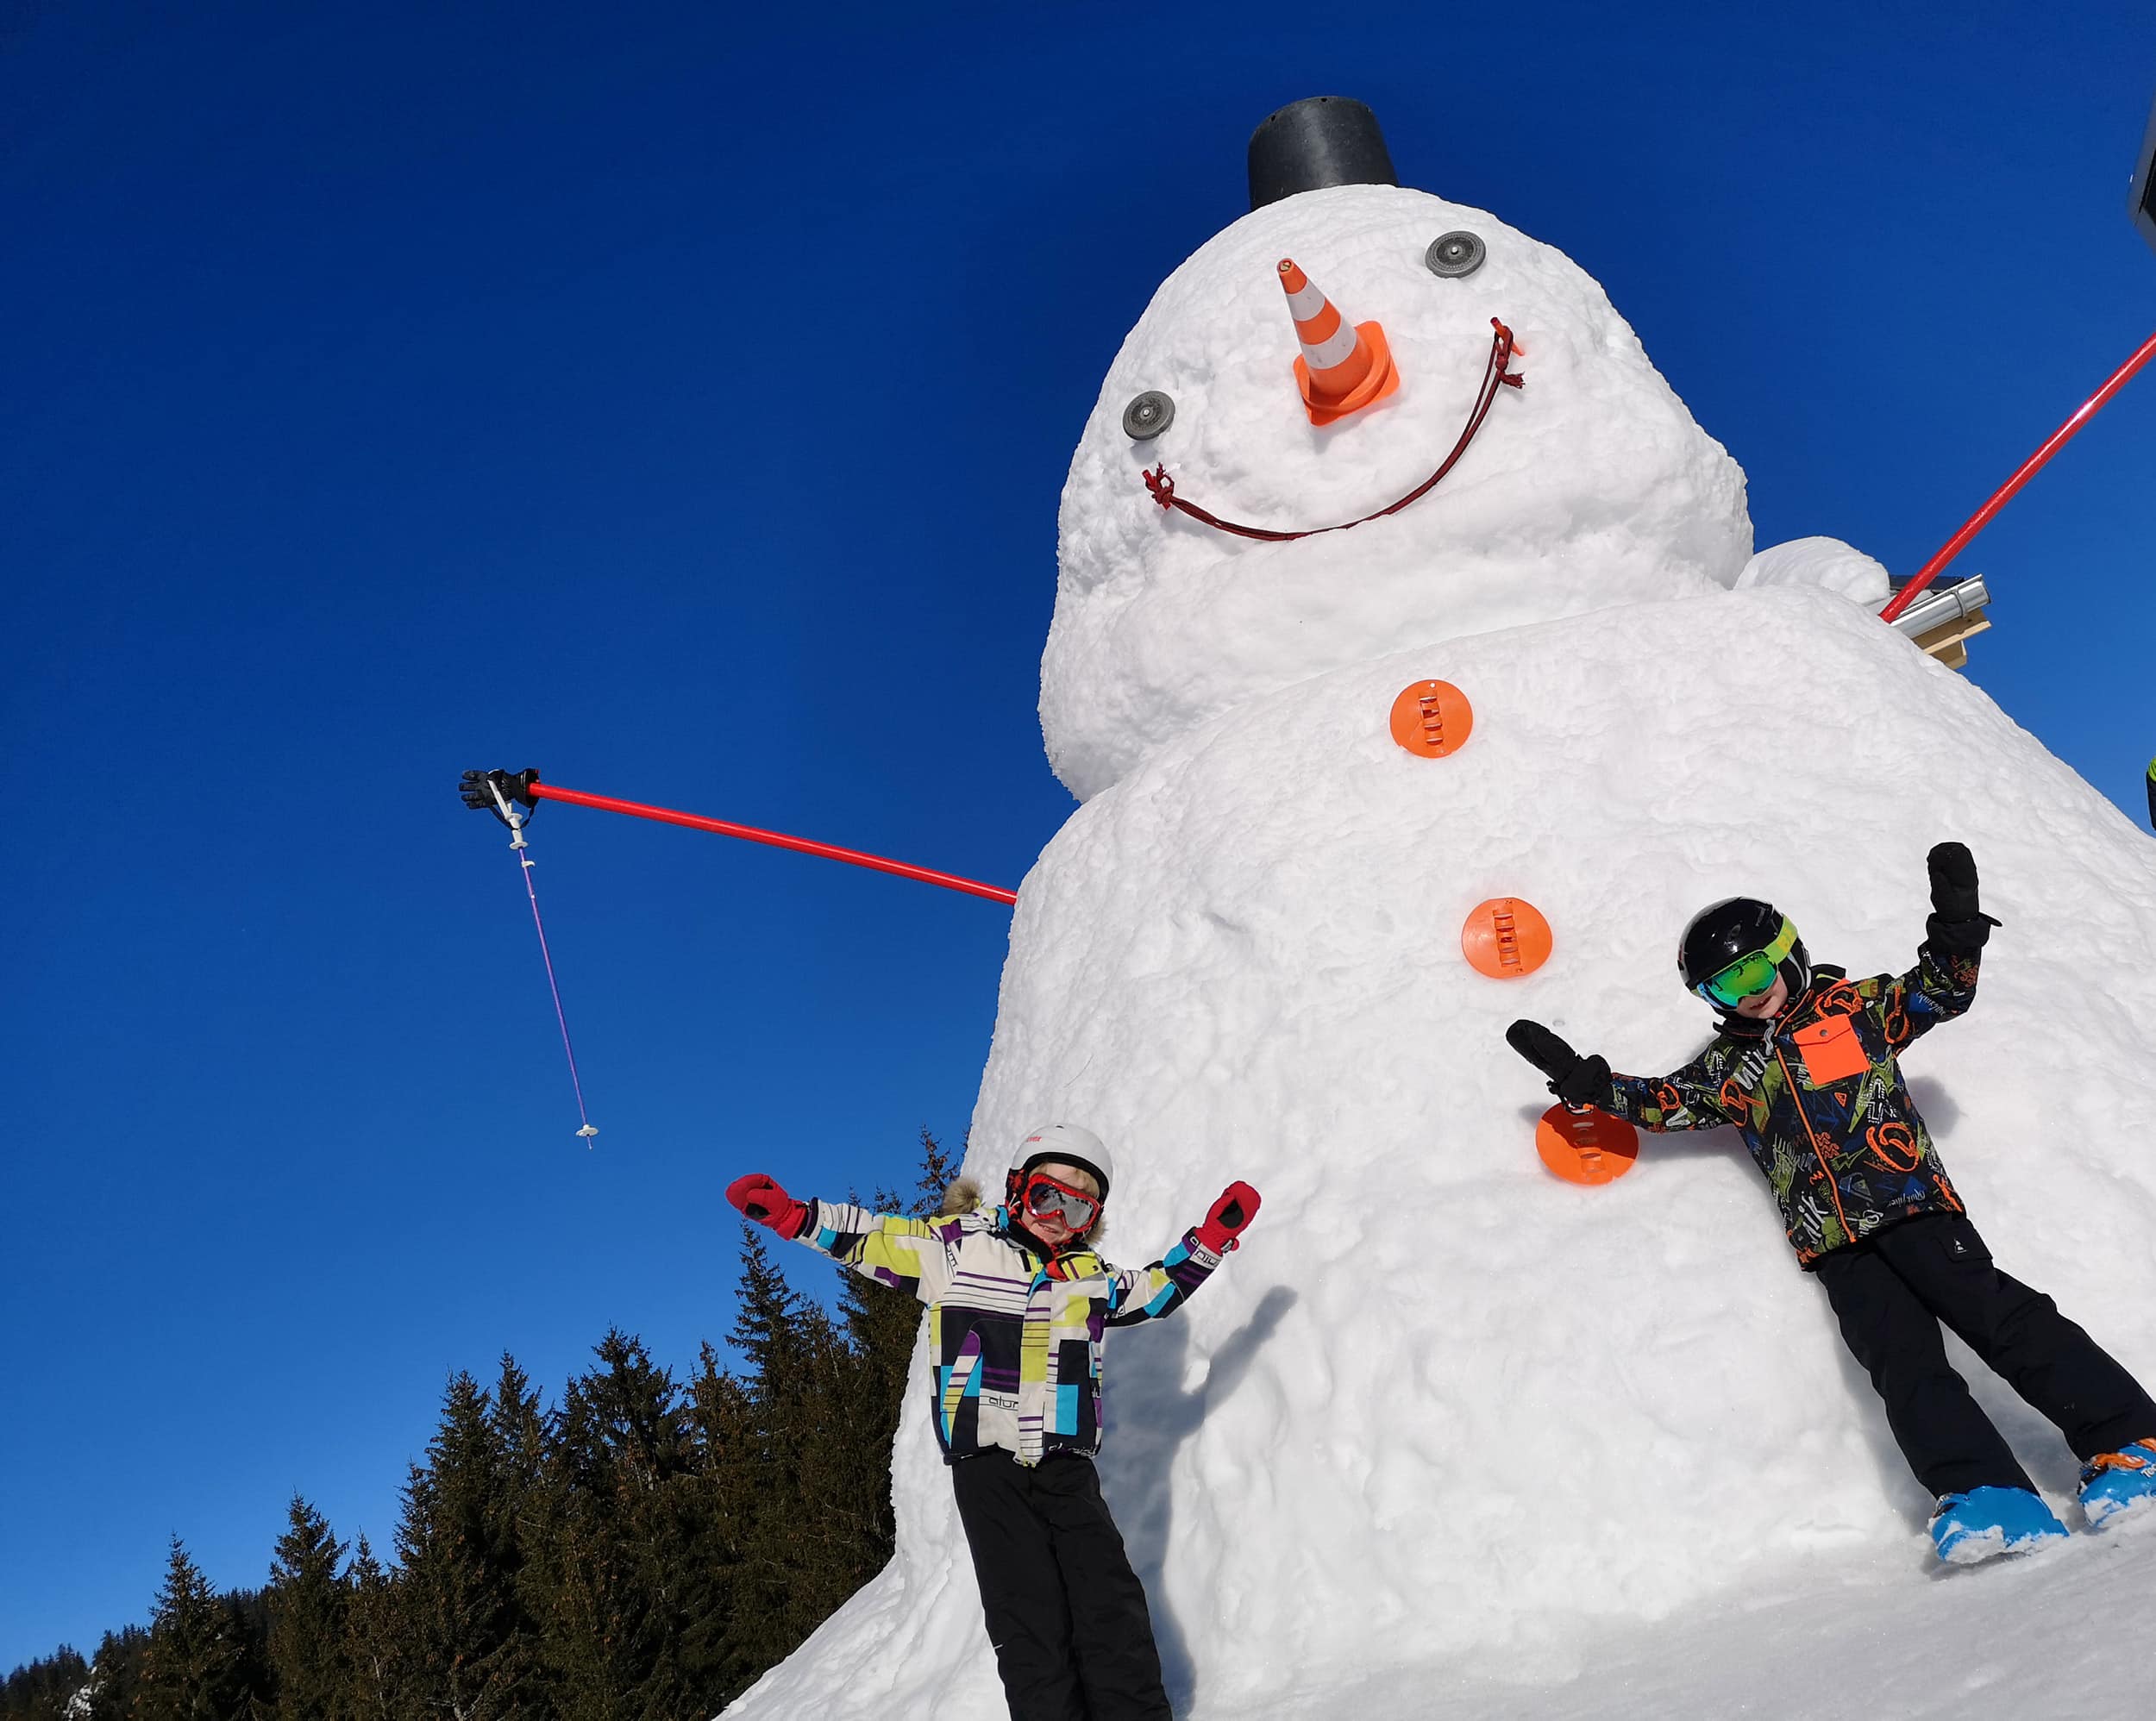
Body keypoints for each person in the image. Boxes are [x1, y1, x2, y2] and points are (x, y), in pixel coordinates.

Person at [1507, 842, 2156, 1564]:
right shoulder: (1728, 1069)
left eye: (1754, 971)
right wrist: (1592, 1085)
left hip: (1913, 1209)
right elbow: (1662, 1104)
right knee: (1904, 1370)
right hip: (1835, 1245)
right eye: (1723, 987)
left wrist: (1956, 930)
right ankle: (1986, 1493)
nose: (1747, 994)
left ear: (1787, 954)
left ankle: (2131, 1439)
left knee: (2006, 1324)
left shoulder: (1855, 1010)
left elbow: (1941, 992)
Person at [727, 1122, 1262, 1718]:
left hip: (1066, 1463)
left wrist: (1211, 1240)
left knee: (1108, 1598)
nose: (1057, 1217)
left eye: (1078, 1209)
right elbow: (874, 1238)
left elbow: (1154, 1292)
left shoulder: (1088, 1278)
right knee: (1027, 1616)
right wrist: (794, 1216)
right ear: (1016, 1188)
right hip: (987, 1467)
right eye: (1046, 1195)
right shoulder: (956, 1248)